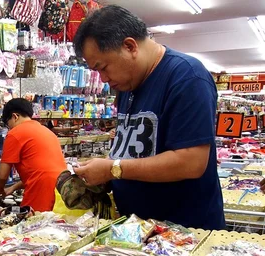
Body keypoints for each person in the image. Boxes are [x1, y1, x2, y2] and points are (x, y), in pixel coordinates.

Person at [73, 5, 225, 230]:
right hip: (137, 230)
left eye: (103, 67)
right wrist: (102, 174)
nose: (103, 79)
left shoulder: (187, 77)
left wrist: (113, 168)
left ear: (129, 46)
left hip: (184, 234)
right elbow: (138, 150)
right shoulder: (128, 83)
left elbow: (191, 162)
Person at [0, 98, 67, 212]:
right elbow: (40, 170)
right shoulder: (46, 131)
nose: (9, 128)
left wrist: (0, 189)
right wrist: (13, 187)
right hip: (62, 188)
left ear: (15, 116)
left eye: (8, 124)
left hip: (41, 190)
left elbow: (2, 175)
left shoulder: (14, 134)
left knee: (31, 223)